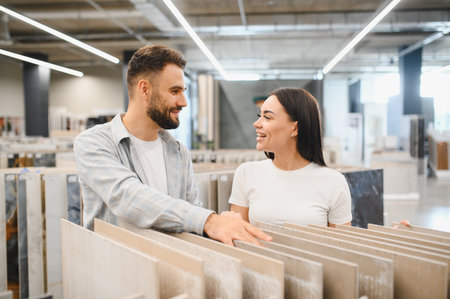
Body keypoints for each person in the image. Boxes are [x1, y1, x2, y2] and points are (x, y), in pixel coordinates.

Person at [73, 44, 271, 246]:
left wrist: (221, 223)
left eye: (183, 91)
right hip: (116, 273)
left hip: (167, 269)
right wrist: (209, 221)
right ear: (144, 89)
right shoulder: (94, 143)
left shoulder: (177, 151)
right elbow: (128, 198)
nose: (183, 102)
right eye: (175, 91)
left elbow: (189, 214)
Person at [228, 88, 352, 227]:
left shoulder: (334, 182)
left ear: (295, 128)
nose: (256, 123)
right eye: (259, 115)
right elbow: (240, 238)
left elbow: (338, 246)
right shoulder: (246, 173)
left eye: (267, 117)